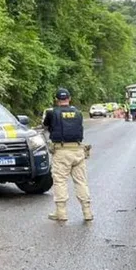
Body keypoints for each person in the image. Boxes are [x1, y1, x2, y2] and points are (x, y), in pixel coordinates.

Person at [42, 88, 92, 222]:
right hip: (78, 151)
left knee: (60, 181)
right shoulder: (78, 112)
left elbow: (45, 126)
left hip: (61, 151)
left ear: (57, 100)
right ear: (69, 99)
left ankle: (61, 213)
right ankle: (87, 212)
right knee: (81, 181)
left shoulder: (52, 113)